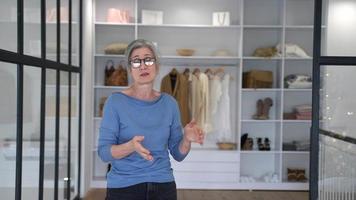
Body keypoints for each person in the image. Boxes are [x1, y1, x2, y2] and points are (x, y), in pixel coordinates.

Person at [98, 39, 205, 200]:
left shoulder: (170, 104)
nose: (143, 65)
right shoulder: (115, 102)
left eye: (148, 59)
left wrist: (186, 139)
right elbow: (104, 153)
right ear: (129, 69)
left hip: (163, 186)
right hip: (124, 187)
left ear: (157, 65)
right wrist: (130, 146)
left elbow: (178, 154)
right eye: (136, 61)